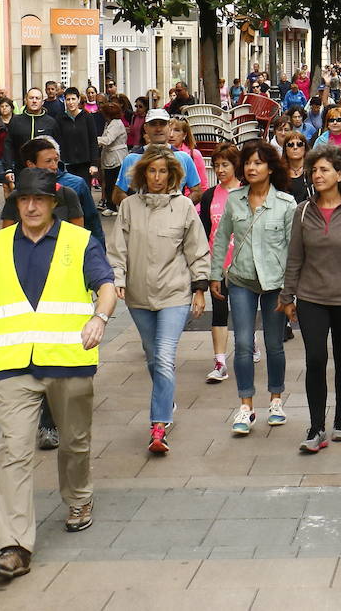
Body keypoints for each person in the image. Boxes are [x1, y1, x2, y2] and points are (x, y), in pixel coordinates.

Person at [0, 168, 117, 579]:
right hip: (16, 365)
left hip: (69, 359)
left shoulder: (79, 240)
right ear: (16, 203)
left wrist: (100, 318)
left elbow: (105, 285)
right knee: (15, 452)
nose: (31, 206)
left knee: (74, 441)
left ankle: (78, 496)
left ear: (54, 203)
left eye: (38, 199)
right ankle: (14, 546)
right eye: (23, 200)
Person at [108, 146, 211, 454]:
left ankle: (158, 425)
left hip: (175, 293)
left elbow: (197, 249)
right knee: (153, 358)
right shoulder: (129, 207)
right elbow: (117, 248)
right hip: (138, 297)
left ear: (172, 175)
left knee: (165, 357)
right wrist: (118, 278)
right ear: (143, 174)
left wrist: (200, 287)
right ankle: (167, 398)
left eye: (162, 171)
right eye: (151, 171)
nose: (156, 177)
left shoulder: (183, 208)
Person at [281, 147, 341, 452]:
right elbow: (295, 256)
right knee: (316, 359)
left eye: (324, 170)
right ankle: (316, 426)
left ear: (340, 174)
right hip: (311, 298)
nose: (317, 175)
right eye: (314, 170)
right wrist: (288, 295)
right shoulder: (303, 211)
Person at [211, 142, 297, 435]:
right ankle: (246, 405)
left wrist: (290, 290)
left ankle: (276, 399)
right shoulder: (234, 200)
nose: (251, 168)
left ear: (270, 168)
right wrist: (214, 274)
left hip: (276, 284)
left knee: (274, 344)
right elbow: (221, 238)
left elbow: (293, 250)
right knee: (244, 344)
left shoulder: (286, 204)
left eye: (258, 163)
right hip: (241, 280)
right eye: (248, 163)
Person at [198, 143, 244, 383]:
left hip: (244, 265)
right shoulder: (209, 196)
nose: (220, 170)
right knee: (219, 312)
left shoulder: (247, 192)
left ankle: (250, 344)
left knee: (242, 310)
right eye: (216, 166)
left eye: (225, 164)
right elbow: (204, 231)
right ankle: (220, 361)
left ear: (236, 165)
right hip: (218, 265)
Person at [112, 110, 203, 206]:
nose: (158, 129)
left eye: (162, 124)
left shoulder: (184, 158)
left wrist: (180, 209)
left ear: (169, 126)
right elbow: (118, 194)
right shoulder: (131, 159)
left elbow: (197, 192)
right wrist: (136, 210)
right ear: (145, 128)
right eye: (153, 124)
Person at [6, 88, 61, 165]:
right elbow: (8, 146)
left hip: (45, 170)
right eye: (31, 98)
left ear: (42, 102)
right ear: (26, 100)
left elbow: (57, 147)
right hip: (20, 169)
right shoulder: (15, 121)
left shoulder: (51, 122)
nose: (34, 101)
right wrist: (8, 169)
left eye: (37, 98)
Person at [56, 88, 99, 183]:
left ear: (78, 99)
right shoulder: (60, 119)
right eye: (68, 99)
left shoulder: (87, 117)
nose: (71, 102)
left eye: (73, 99)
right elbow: (57, 141)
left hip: (84, 164)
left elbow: (93, 141)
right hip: (67, 164)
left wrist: (94, 164)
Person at [97, 102, 128, 216]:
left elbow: (108, 139)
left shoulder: (116, 124)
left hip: (117, 157)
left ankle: (117, 205)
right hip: (110, 157)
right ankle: (111, 205)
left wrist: (93, 140)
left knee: (117, 183)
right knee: (109, 183)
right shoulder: (109, 123)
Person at [167, 119, 210, 195]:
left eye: (177, 130)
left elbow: (203, 187)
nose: (171, 135)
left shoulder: (194, 155)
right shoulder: (159, 152)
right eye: (169, 130)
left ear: (184, 135)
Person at [281, 131, 312, 203]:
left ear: (305, 148)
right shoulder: (280, 173)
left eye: (299, 144)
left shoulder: (313, 170)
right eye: (290, 144)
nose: (295, 147)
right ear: (285, 149)